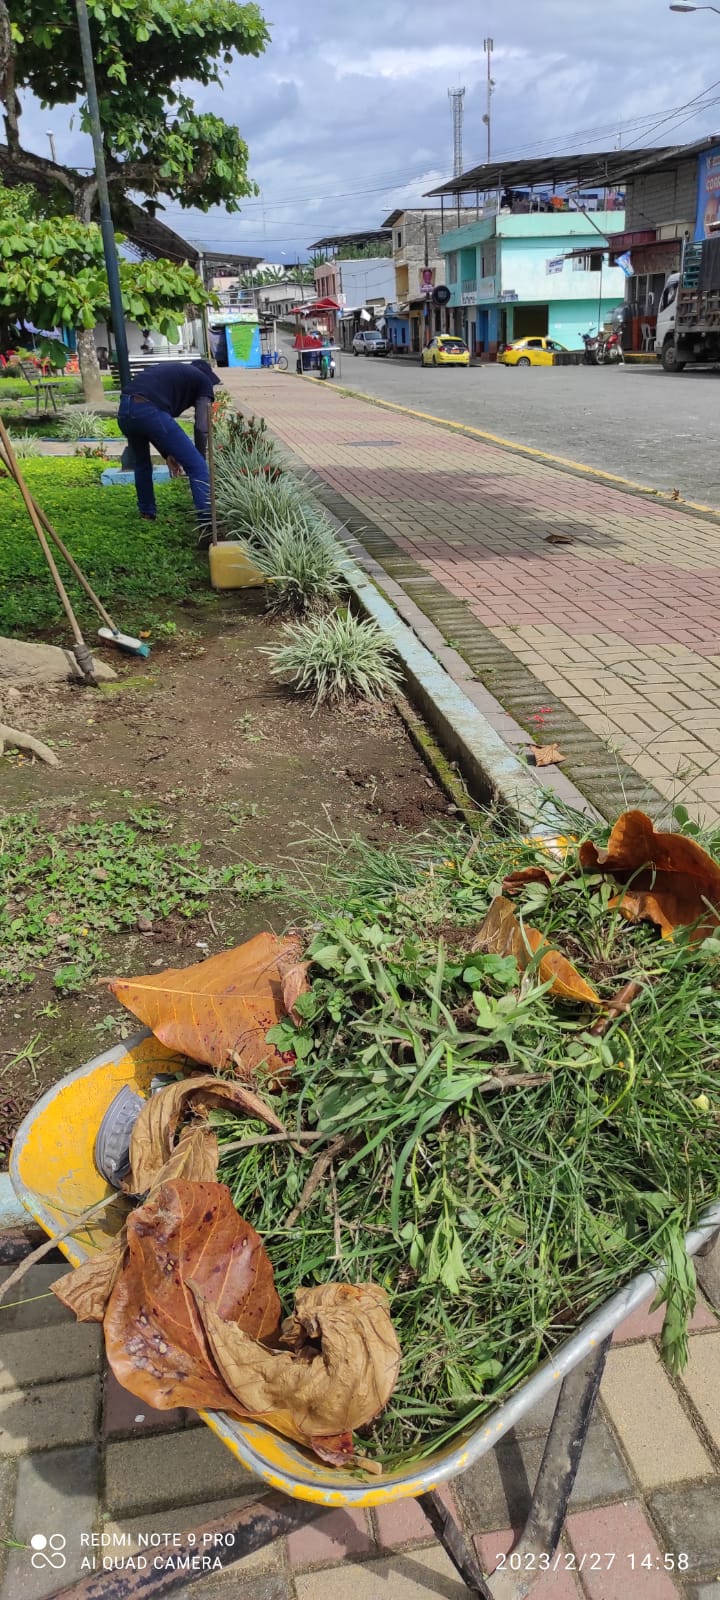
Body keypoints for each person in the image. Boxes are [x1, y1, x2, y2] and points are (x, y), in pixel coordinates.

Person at [117, 359, 220, 533]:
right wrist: (199, 458)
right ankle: (207, 525)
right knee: (197, 466)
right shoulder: (203, 381)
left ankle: (147, 513)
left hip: (125, 410)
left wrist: (167, 453)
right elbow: (202, 427)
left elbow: (156, 424)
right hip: (148, 409)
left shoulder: (176, 374)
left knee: (142, 463)